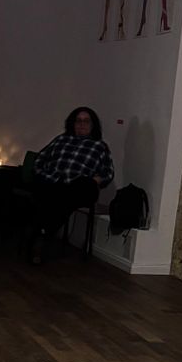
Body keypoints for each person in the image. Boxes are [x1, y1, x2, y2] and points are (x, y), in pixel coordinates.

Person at [29, 106, 114, 264]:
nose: (82, 124)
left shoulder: (99, 146)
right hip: (55, 183)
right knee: (54, 193)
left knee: (76, 188)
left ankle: (40, 234)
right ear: (72, 124)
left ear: (93, 125)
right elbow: (39, 160)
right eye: (78, 121)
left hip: (80, 187)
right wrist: (47, 175)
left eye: (86, 121)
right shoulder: (61, 140)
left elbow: (108, 173)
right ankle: (44, 234)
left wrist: (97, 180)